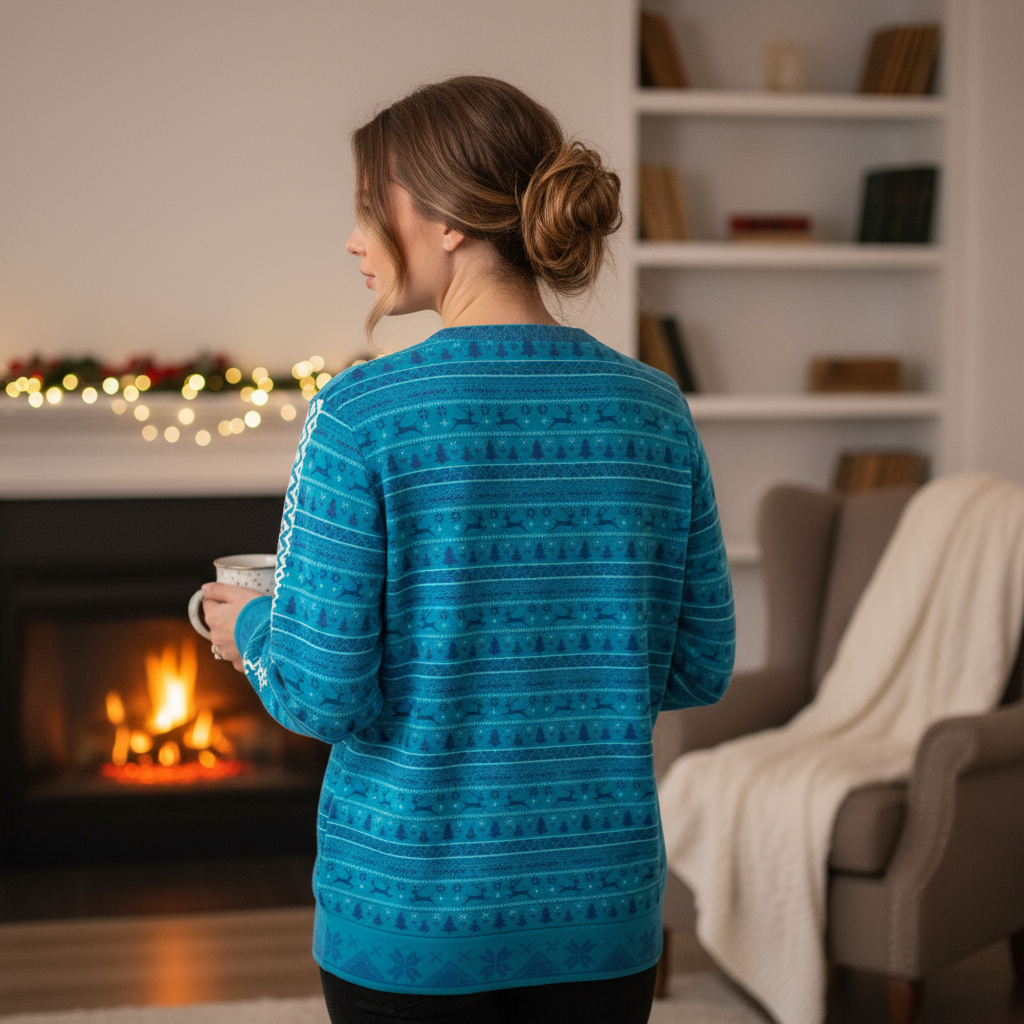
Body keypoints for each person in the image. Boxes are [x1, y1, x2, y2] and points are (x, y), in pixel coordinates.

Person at [202, 75, 735, 1024]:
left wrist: (249, 627)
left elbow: (323, 694)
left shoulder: (361, 415)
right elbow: (698, 666)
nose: (354, 238)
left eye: (372, 207)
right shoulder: (657, 408)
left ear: (447, 221)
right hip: (603, 915)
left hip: (412, 919)